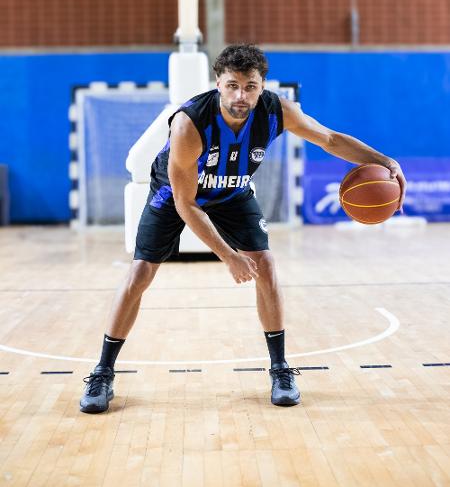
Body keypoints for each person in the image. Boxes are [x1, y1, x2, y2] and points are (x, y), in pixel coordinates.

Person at [80, 44, 406, 413]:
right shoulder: (190, 123)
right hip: (174, 194)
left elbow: (329, 139)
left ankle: (281, 369)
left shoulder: (276, 110)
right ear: (218, 83)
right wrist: (227, 255)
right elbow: (187, 205)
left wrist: (384, 161)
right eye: (232, 85)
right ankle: (103, 371)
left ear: (262, 85)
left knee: (266, 266)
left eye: (250, 86)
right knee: (140, 273)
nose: (240, 95)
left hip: (232, 192)